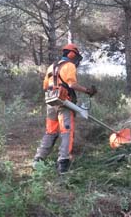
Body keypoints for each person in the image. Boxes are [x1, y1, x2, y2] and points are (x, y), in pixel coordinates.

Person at [33, 43, 97, 174]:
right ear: (72, 54)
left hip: (51, 102)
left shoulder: (52, 66)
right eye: (76, 57)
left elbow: (45, 87)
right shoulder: (69, 65)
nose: (76, 60)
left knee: (50, 132)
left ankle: (38, 159)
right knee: (66, 131)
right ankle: (63, 163)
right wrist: (87, 91)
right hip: (64, 103)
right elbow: (71, 84)